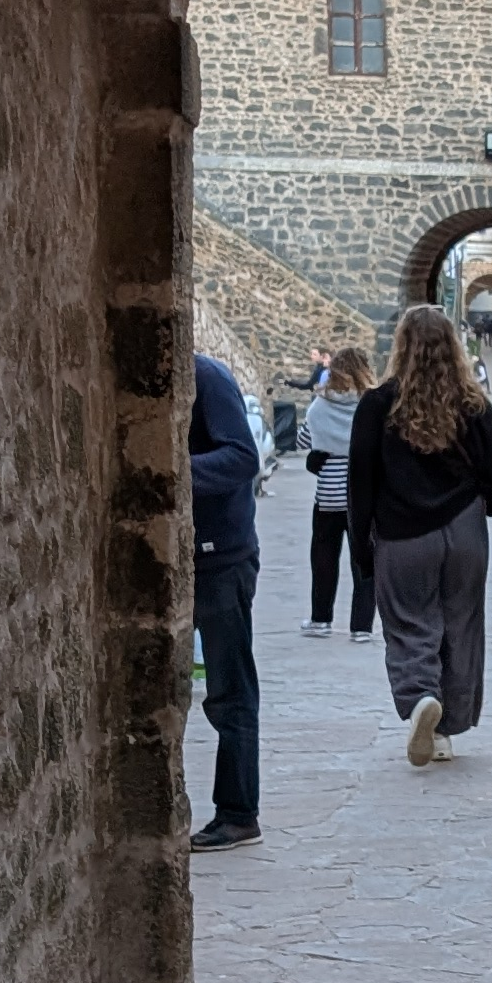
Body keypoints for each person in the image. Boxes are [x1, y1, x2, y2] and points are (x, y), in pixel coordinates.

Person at [348, 305, 492, 765]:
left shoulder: (377, 405)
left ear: (401, 347)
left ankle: (421, 698)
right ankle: (445, 731)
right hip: (465, 530)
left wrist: (360, 553)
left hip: (403, 534)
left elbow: (360, 485)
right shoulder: (476, 406)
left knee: (409, 624)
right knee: (461, 625)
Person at [187, 352, 262, 851]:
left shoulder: (206, 379)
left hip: (222, 560)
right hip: (189, 555)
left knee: (228, 691)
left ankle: (237, 814)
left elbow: (242, 456)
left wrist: (173, 467)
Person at [299, 339, 374, 636]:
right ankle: (361, 626)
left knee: (324, 556)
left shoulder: (320, 405)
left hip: (329, 492)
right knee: (364, 559)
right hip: (362, 493)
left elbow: (304, 441)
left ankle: (321, 619)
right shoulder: (371, 404)